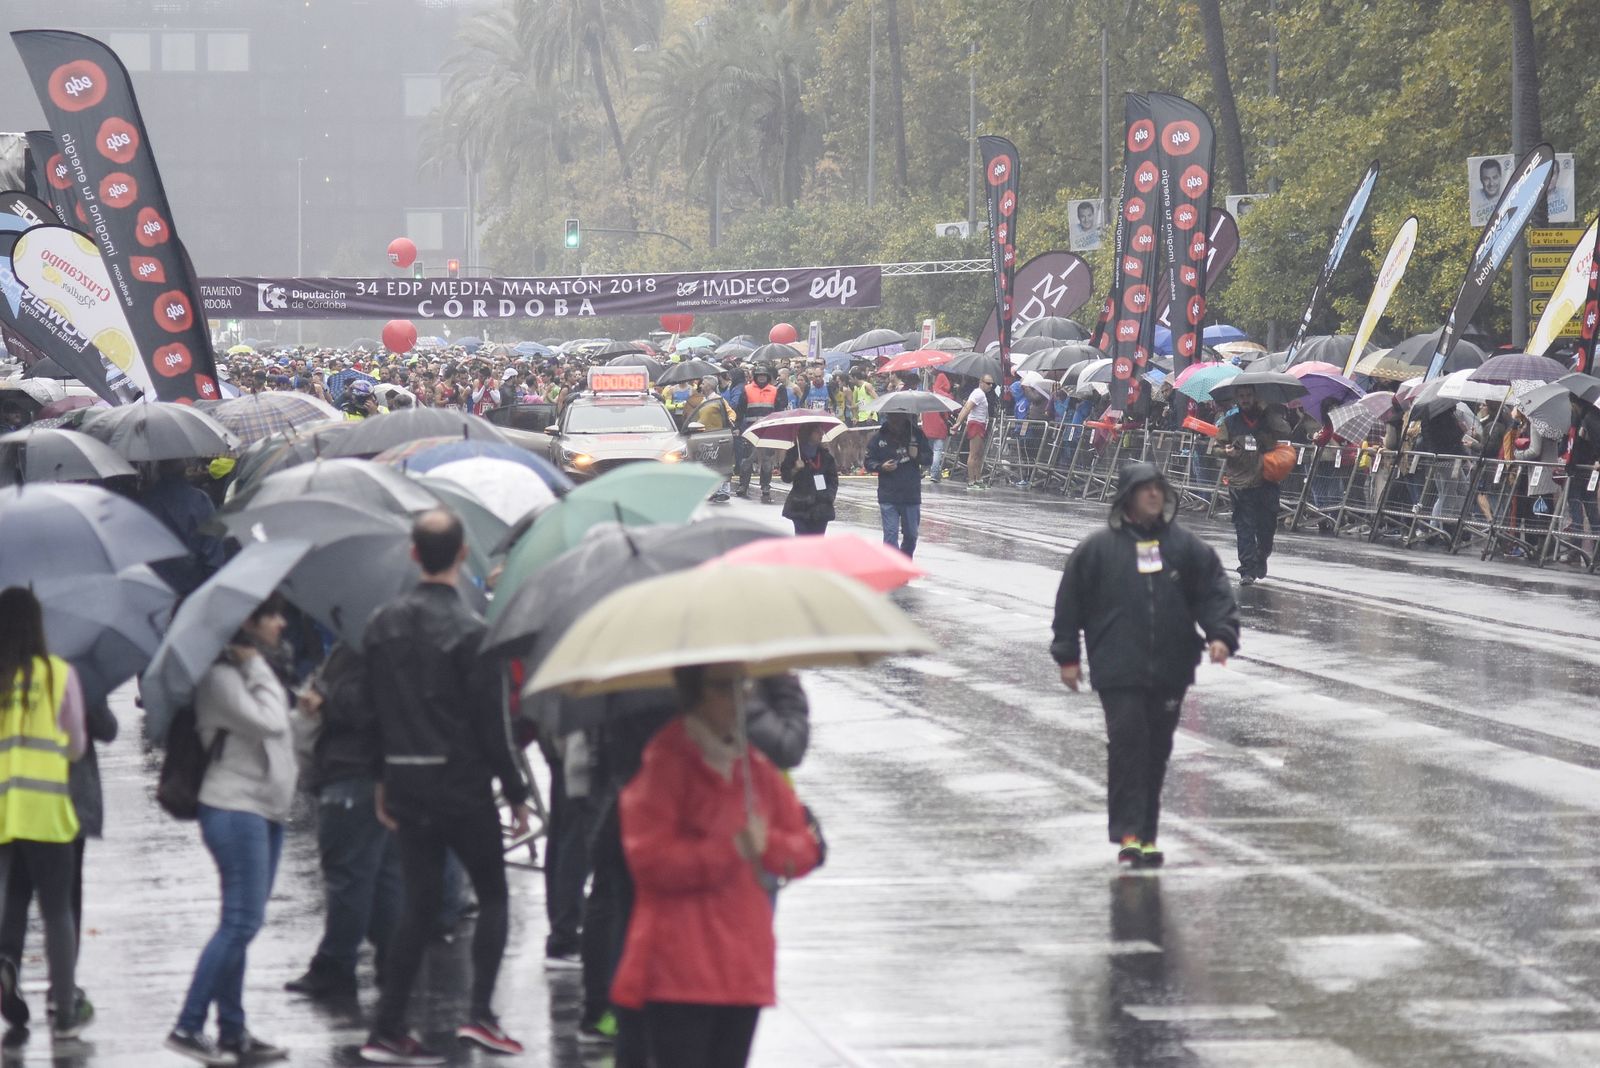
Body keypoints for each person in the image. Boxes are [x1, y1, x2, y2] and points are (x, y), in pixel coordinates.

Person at [359, 509, 532, 1065]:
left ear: (414, 554)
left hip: (407, 780)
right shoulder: (473, 633)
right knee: (494, 894)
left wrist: (380, 779)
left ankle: (387, 1027)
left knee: (420, 904)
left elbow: (371, 713)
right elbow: (492, 723)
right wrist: (516, 790)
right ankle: (479, 1014)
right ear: (462, 556)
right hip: (462, 785)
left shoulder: (381, 625)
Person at [611, 664, 823, 1068]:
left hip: (742, 969)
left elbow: (803, 847)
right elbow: (650, 860)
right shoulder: (664, 762)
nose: (739, 698)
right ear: (695, 694)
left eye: (742, 686)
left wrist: (770, 846)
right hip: (681, 971)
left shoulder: (754, 768)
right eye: (723, 688)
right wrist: (728, 851)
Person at [1049, 463, 1240, 867]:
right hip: (1117, 667)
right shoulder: (1097, 550)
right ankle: (1129, 833)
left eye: (1158, 488)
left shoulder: (1185, 548)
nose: (1153, 495)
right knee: (1128, 743)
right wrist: (1067, 656)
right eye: (1144, 489)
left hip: (1170, 668)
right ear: (1127, 497)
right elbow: (1071, 603)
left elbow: (1213, 593)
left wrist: (1221, 635)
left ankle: (1147, 834)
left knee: (1156, 750)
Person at [167, 596, 295, 1065]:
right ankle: (188, 1025)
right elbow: (267, 720)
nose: (282, 624)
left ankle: (234, 1031)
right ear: (247, 621)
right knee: (241, 922)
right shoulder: (221, 677)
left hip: (262, 810)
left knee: (241, 924)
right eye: (273, 615)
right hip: (234, 809)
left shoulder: (245, 672)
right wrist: (260, 668)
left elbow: (281, 731)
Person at [283, 643, 402, 1002]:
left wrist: (324, 696)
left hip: (354, 772)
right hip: (375, 774)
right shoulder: (383, 641)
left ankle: (335, 965)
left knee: (349, 876)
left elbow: (368, 706)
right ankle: (392, 959)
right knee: (383, 876)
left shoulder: (366, 645)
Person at [0, 589, 89, 1042]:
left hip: (1, 812)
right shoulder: (58, 674)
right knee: (56, 912)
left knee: (11, 903)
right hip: (47, 809)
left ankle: (7, 964)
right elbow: (76, 743)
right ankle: (67, 1007)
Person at [1212, 385, 1292, 584]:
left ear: (1255, 397)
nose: (1245, 399)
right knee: (1244, 527)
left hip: (1266, 481)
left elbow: (1286, 431)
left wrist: (1270, 412)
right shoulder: (1229, 422)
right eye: (1241, 396)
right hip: (1241, 482)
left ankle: (1261, 555)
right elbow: (1215, 448)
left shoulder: (1267, 418)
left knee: (1267, 527)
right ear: (1237, 398)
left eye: (1249, 395)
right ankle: (1247, 569)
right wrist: (1226, 451)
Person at [139, 460, 227, 597]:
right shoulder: (200, 500)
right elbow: (212, 548)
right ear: (184, 471)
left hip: (156, 586)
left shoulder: (146, 501)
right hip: (194, 586)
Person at [865, 413, 929, 558]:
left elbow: (928, 458)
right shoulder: (878, 438)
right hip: (888, 494)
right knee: (890, 534)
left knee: (911, 535)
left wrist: (917, 456)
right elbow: (868, 462)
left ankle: (904, 562)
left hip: (910, 494)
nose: (895, 420)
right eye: (892, 416)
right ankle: (892, 567)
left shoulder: (916, 435)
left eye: (899, 416)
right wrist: (881, 466)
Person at [733, 364, 788, 502]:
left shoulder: (774, 391)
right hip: (751, 429)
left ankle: (765, 486)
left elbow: (779, 410)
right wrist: (737, 426)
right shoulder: (747, 389)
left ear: (768, 377)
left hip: (768, 430)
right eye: (760, 376)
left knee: (767, 461)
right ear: (756, 377)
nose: (762, 378)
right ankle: (743, 485)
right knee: (747, 459)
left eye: (764, 376)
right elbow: (740, 410)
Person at [779, 425, 839, 535]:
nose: (821, 434)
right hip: (800, 504)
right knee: (802, 542)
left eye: (821, 431)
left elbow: (833, 479)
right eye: (817, 432)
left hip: (821, 505)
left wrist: (829, 496)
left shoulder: (826, 456)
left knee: (818, 543)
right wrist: (795, 469)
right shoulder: (794, 454)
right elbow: (785, 477)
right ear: (807, 434)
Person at [952, 375, 996, 489]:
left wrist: (959, 422)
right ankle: (972, 481)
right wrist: (958, 423)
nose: (990, 386)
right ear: (981, 382)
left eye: (992, 384)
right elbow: (967, 407)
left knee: (979, 454)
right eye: (988, 383)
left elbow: (966, 407)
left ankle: (978, 479)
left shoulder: (980, 394)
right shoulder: (978, 393)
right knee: (974, 454)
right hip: (976, 424)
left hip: (980, 424)